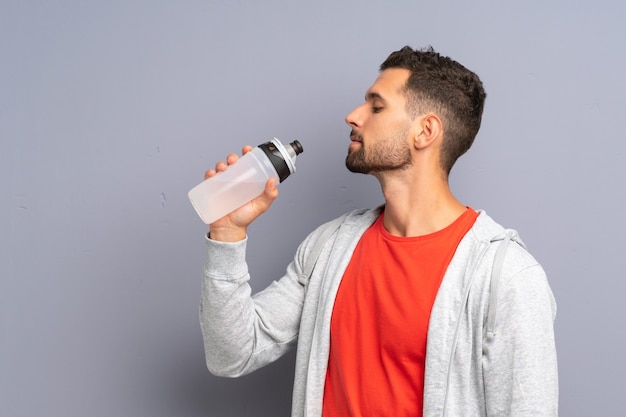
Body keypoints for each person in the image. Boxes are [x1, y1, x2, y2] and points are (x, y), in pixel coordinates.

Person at [198, 46, 558, 417]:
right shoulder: (329, 247)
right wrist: (227, 232)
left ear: (425, 131)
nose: (353, 116)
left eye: (376, 106)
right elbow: (232, 354)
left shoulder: (506, 277)